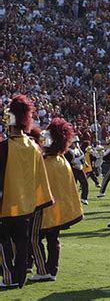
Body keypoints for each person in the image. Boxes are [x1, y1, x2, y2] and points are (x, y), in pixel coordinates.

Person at [0, 95, 54, 289]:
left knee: (3, 241)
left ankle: (9, 277)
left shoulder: (4, 147)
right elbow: (40, 176)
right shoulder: (34, 146)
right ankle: (21, 277)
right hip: (28, 205)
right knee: (22, 243)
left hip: (6, 204)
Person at [29, 118, 83, 282]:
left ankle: (42, 269)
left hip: (43, 207)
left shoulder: (45, 162)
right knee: (53, 240)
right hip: (57, 208)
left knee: (34, 239)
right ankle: (52, 270)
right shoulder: (61, 160)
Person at [65, 136, 89, 205]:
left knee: (85, 183)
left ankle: (84, 198)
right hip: (73, 170)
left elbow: (82, 159)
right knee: (73, 186)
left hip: (80, 169)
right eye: (75, 143)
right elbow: (72, 161)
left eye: (77, 143)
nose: (76, 144)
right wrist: (80, 158)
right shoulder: (68, 151)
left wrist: (83, 161)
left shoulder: (78, 150)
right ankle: (71, 199)